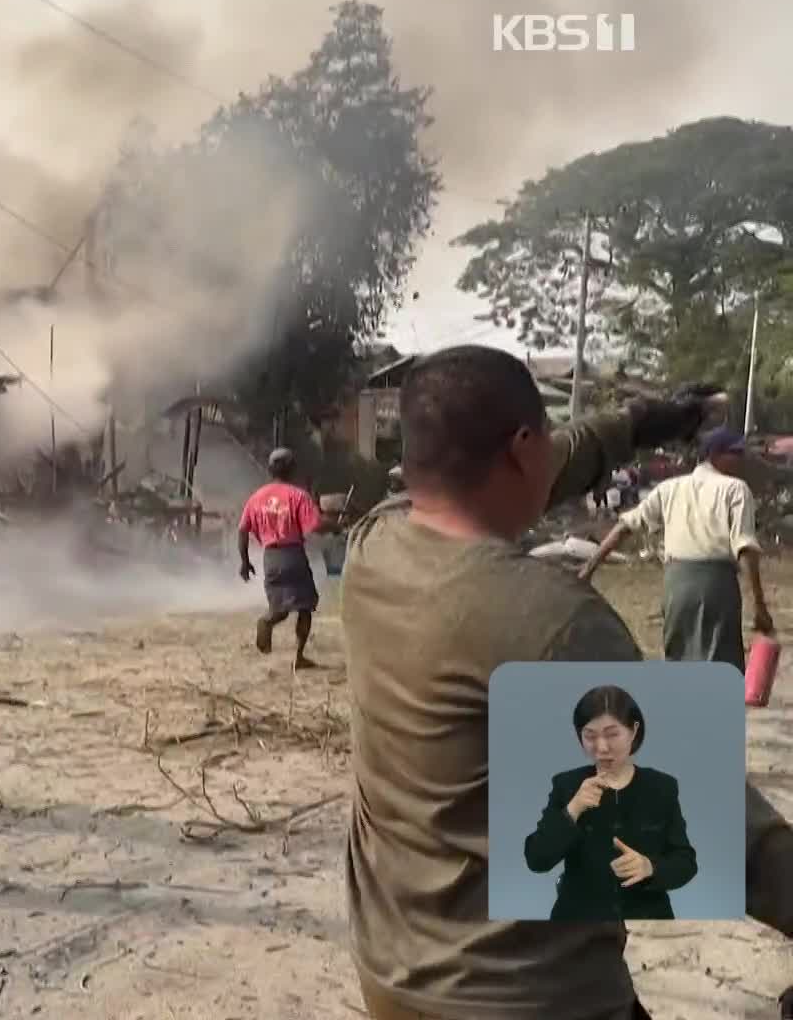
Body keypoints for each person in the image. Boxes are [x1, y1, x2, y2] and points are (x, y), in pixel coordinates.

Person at [339, 345, 793, 1020]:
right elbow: (707, 819)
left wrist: (640, 423)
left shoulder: (373, 545)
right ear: (523, 447)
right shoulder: (548, 621)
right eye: (542, 440)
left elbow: (538, 468)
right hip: (525, 997)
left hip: (394, 976)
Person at [579, 428, 772, 669]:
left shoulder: (669, 488)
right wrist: (759, 605)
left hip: (676, 587)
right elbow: (745, 548)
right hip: (715, 587)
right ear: (716, 455)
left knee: (679, 661)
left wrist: (589, 568)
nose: (743, 459)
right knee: (720, 664)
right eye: (738, 453)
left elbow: (624, 526)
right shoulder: (735, 489)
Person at [524, 685, 696, 921]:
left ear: (634, 731)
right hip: (578, 922)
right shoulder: (567, 785)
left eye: (612, 734)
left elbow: (685, 862)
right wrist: (572, 810)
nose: (601, 748)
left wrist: (650, 867)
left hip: (648, 921)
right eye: (590, 736)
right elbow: (536, 859)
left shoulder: (662, 787)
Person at [237, 448, 328, 669]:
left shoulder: (256, 497)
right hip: (293, 555)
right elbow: (316, 526)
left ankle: (267, 620)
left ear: (270, 470)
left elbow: (242, 530)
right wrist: (334, 525)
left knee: (279, 607)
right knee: (305, 606)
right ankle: (299, 656)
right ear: (293, 468)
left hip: (270, 558)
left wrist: (245, 561)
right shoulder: (298, 496)